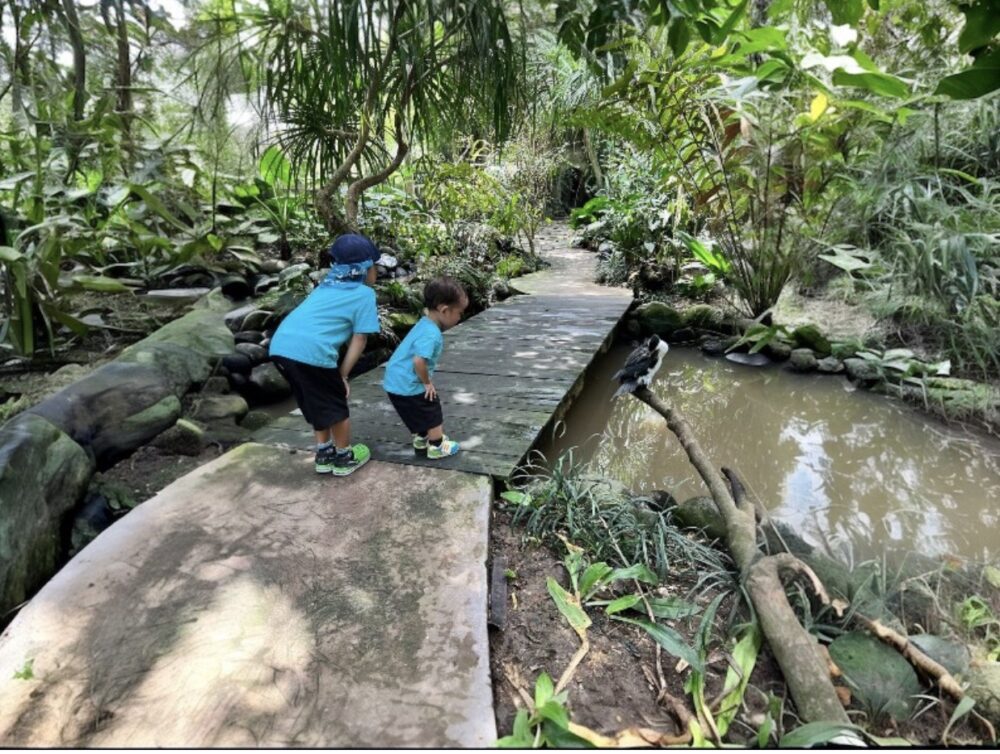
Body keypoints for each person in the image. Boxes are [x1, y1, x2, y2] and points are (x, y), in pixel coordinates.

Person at [268, 234, 382, 475]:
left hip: (281, 348)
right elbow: (360, 338)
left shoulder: (325, 286)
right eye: (376, 266)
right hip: (311, 353)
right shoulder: (364, 294)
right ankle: (344, 457)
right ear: (365, 269)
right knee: (336, 405)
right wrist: (342, 375)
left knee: (315, 401)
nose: (377, 272)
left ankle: (324, 453)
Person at [383, 276, 468, 459]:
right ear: (444, 310)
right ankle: (436, 446)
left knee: (414, 411)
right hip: (408, 381)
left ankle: (421, 439)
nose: (460, 317)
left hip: (394, 381)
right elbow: (418, 361)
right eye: (459, 313)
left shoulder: (423, 323)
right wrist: (427, 383)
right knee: (431, 407)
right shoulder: (432, 333)